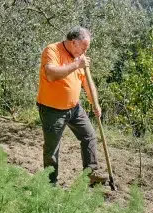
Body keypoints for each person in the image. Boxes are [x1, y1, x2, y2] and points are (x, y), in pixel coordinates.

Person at [36, 26, 107, 185]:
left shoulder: (80, 57)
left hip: (74, 108)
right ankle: (50, 184)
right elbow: (51, 74)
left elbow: (88, 84)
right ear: (74, 42)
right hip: (52, 110)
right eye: (83, 47)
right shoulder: (52, 50)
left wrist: (95, 103)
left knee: (89, 135)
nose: (85, 51)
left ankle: (90, 173)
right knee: (52, 149)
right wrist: (76, 65)